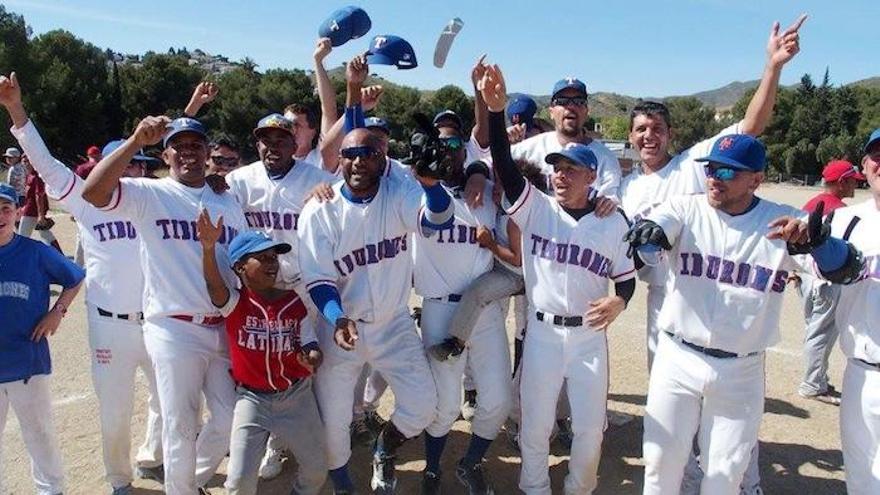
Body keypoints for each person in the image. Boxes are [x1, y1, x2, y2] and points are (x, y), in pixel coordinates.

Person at [627, 131, 862, 494]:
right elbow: (656, 233)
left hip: (740, 370)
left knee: (725, 477)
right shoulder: (685, 208)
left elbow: (843, 269)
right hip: (677, 357)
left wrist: (817, 242)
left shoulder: (782, 223)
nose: (714, 179)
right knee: (660, 466)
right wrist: (651, 235)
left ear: (756, 179)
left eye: (727, 173)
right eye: (711, 170)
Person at [0, 71, 164, 495]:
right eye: (127, 164)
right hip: (109, 322)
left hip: (160, 321)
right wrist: (16, 109)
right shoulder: (88, 204)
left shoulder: (154, 202)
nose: (134, 172)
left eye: (141, 165)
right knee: (114, 412)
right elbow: (46, 164)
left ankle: (155, 454)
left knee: (169, 401)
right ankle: (118, 479)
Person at [480, 62, 636, 494]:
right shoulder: (537, 209)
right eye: (557, 169)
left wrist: (621, 301)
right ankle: (534, 488)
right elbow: (504, 167)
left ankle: (577, 488)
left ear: (592, 177)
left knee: (590, 430)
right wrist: (494, 112)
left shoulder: (612, 223)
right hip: (543, 333)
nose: (561, 175)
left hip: (589, 338)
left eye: (571, 170)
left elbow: (626, 279)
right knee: (534, 427)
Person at [82, 115, 248, 495]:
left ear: (207, 152)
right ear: (166, 154)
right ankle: (183, 489)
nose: (188, 152)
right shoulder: (148, 193)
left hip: (222, 324)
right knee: (180, 425)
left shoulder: (227, 199)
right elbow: (93, 193)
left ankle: (190, 482)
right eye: (180, 145)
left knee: (229, 418)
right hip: (174, 326)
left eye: (196, 145)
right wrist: (133, 141)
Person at [298, 116, 454, 492]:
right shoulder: (321, 209)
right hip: (340, 327)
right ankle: (343, 484)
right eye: (350, 154)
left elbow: (440, 219)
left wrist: (432, 186)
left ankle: (386, 444)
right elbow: (318, 279)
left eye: (367, 153)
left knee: (422, 406)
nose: (358, 161)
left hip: (392, 322)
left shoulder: (398, 193)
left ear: (382, 158)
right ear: (340, 159)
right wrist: (336, 318)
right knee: (334, 422)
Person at [223, 111, 336, 480]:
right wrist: (212, 180)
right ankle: (265, 441)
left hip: (300, 288)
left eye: (281, 139)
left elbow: (344, 196)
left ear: (295, 144)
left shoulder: (316, 177)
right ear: (257, 144)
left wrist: (327, 191)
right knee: (256, 362)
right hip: (256, 290)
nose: (272, 146)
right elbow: (213, 195)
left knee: (304, 365)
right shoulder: (239, 179)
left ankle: (294, 439)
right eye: (265, 140)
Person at [410, 126, 511, 494]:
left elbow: (501, 156)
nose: (447, 150)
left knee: (498, 400)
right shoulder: (414, 190)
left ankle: (470, 463)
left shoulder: (483, 190)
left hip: (484, 310)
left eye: (455, 142)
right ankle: (433, 467)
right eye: (439, 142)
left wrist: (479, 172)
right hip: (439, 309)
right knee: (446, 403)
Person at [198, 224, 327, 495]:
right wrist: (209, 249)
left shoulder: (292, 301)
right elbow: (213, 284)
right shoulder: (234, 303)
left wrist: (312, 358)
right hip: (252, 400)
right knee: (238, 483)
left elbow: (311, 345)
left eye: (274, 257)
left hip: (296, 396)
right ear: (240, 267)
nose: (272, 263)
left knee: (316, 470)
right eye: (263, 257)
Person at [0, 181, 85, 495]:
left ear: (18, 211)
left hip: (27, 362)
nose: (1, 215)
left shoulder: (34, 251)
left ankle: (51, 490)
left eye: (6, 208)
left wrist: (57, 311)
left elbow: (75, 278)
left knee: (40, 434)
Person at [833, 128, 880, 494]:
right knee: (861, 475)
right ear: (863, 166)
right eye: (877, 155)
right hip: (861, 372)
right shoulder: (846, 222)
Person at [795, 159, 864, 405]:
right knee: (821, 332)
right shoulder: (840, 211)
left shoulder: (811, 203)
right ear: (841, 182)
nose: (855, 186)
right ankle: (813, 383)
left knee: (814, 329)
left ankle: (818, 377)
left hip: (804, 277)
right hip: (824, 280)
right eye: (852, 182)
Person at [510, 76, 622, 201]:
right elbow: (490, 163)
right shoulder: (530, 148)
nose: (570, 107)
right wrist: (503, 141)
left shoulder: (605, 158)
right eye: (562, 101)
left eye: (578, 101)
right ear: (551, 112)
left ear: (586, 111)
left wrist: (610, 203)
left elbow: (611, 203)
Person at [17, 154, 63, 253]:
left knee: (22, 236)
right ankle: (59, 255)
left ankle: (19, 257)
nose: (26, 164)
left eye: (28, 161)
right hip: (29, 209)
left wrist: (41, 215)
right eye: (24, 161)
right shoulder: (29, 175)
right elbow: (28, 196)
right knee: (45, 233)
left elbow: (39, 196)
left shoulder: (37, 176)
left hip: (32, 212)